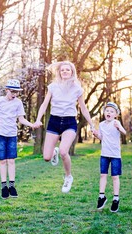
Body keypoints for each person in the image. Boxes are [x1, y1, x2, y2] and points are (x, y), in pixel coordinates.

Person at [33, 61, 95, 193]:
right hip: (54, 122)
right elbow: (44, 105)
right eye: (62, 70)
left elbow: (83, 108)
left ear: (72, 72)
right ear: (59, 73)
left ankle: (68, 177)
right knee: (46, 158)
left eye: (68, 70)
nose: (65, 72)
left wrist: (91, 124)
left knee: (63, 151)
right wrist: (38, 119)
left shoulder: (77, 89)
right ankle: (53, 151)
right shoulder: (53, 87)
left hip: (69, 122)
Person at [0, 79, 35, 199]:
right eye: (12, 91)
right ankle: (4, 187)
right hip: (0, 134)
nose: (14, 94)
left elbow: (21, 119)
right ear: (6, 90)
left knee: (11, 160)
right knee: (2, 161)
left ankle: (12, 186)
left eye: (17, 92)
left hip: (12, 134)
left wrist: (32, 125)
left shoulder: (18, 103)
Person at [93, 102, 126, 212]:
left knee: (115, 177)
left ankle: (116, 199)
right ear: (104, 112)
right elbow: (102, 137)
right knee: (103, 175)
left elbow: (124, 132)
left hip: (115, 155)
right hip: (104, 154)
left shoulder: (116, 122)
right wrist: (96, 134)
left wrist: (119, 128)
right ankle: (101, 197)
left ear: (115, 114)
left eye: (112, 111)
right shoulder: (102, 124)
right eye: (107, 110)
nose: (109, 112)